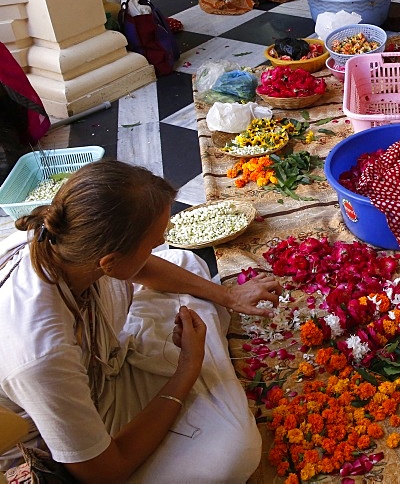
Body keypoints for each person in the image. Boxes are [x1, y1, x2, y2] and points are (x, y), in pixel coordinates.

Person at [0, 159, 283, 482]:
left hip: (101, 358)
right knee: (235, 451)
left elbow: (144, 267)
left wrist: (228, 296)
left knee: (183, 261)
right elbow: (104, 472)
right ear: (108, 262)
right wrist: (188, 367)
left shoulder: (57, 236)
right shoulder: (42, 356)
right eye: (152, 242)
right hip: (80, 433)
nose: (160, 244)